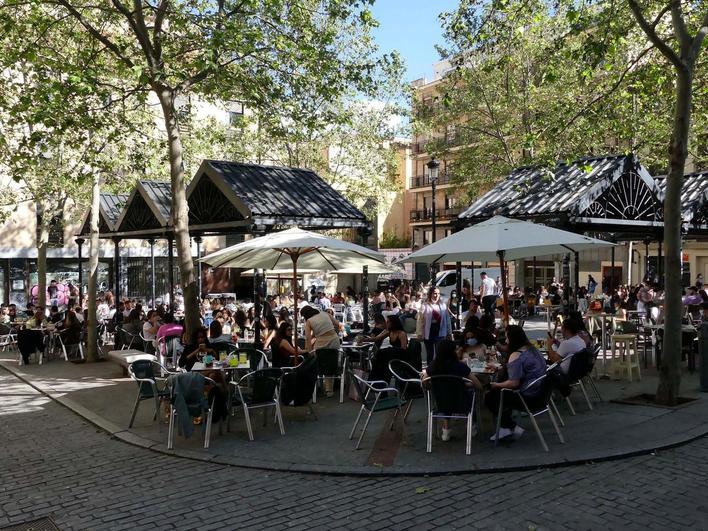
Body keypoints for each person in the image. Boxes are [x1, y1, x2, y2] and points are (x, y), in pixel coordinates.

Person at [485, 325, 548, 441]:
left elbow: (514, 383)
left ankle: (508, 426)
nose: (506, 341)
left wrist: (496, 385)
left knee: (490, 397)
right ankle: (508, 426)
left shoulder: (516, 355)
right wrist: (500, 369)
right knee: (499, 394)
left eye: (507, 338)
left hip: (527, 396)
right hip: (541, 392)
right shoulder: (532, 349)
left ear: (513, 339)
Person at [421, 339, 483, 441]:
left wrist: (433, 384)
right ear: (452, 352)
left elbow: (424, 382)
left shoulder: (433, 366)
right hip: (461, 402)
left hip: (440, 403)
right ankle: (471, 426)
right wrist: (465, 384)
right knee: (471, 393)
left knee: (445, 394)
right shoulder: (460, 366)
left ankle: (446, 430)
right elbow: (478, 385)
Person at [416, 287, 451, 364]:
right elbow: (420, 321)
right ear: (430, 294)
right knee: (430, 354)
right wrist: (419, 333)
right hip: (429, 332)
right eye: (435, 293)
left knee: (439, 353)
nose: (436, 295)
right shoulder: (424, 306)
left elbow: (447, 319)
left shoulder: (443, 306)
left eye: (438, 293)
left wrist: (449, 332)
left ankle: (439, 370)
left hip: (440, 331)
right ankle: (430, 371)